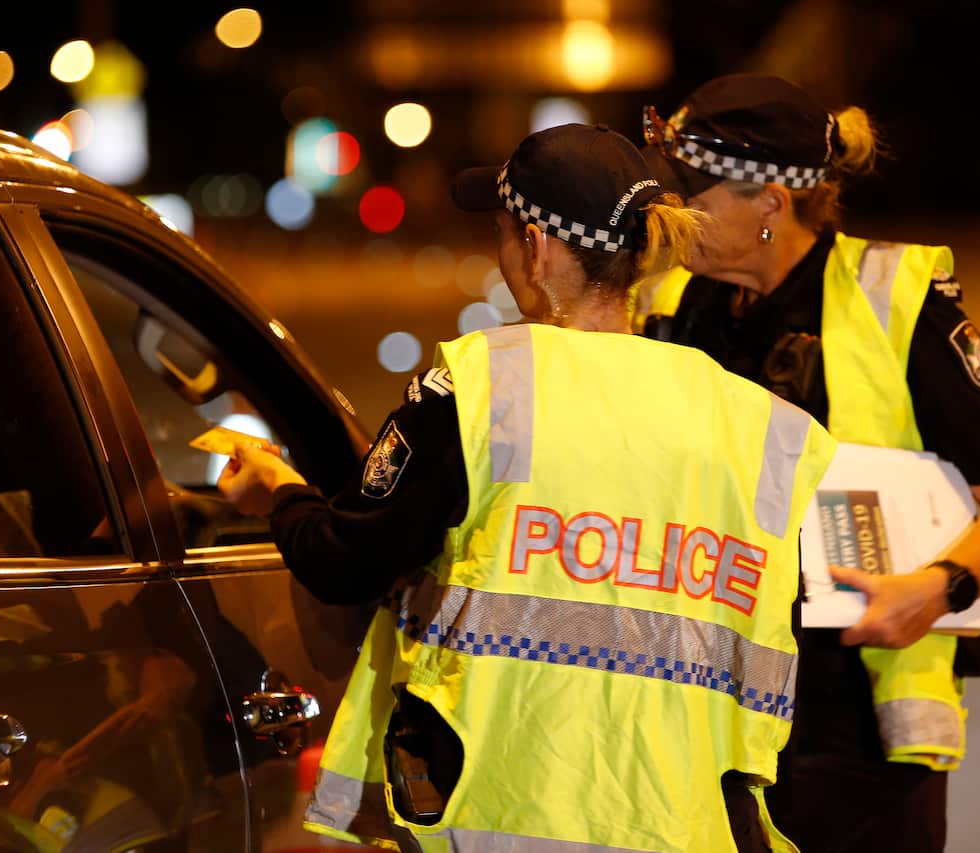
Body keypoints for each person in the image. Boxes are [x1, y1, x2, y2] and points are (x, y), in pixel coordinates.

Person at [216, 122, 838, 852]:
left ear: (536, 248)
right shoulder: (754, 422)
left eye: (504, 232)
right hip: (690, 826)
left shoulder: (483, 387)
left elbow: (346, 557)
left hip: (507, 819)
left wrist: (278, 493)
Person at [636, 73, 980, 853]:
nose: (672, 215)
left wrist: (935, 591)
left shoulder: (895, 299)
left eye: (693, 196)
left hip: (851, 729)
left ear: (770, 203)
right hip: (708, 713)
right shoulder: (675, 305)